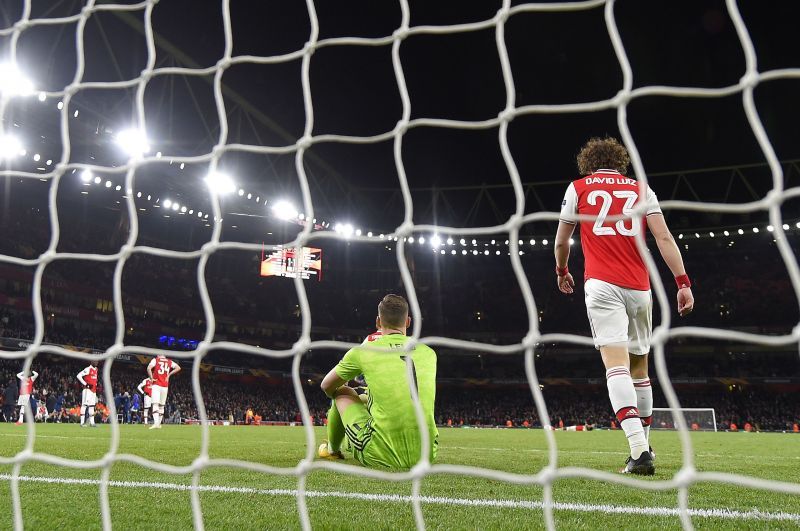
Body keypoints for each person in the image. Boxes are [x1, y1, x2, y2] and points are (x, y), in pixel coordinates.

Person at [554, 137, 694, 475]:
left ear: (587, 162)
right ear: (621, 162)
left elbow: (562, 240)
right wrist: (683, 282)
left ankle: (638, 452)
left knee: (614, 367)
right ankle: (644, 445)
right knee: (640, 370)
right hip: (639, 288)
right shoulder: (641, 189)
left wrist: (562, 271)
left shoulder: (579, 188)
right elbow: (663, 238)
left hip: (601, 284)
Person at [318, 294, 438, 469]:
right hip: (427, 455)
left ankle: (332, 450)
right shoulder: (428, 352)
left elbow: (326, 385)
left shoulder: (364, 351)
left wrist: (336, 396)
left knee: (342, 391)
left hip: (380, 453)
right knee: (368, 399)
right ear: (408, 322)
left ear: (378, 322)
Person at [147, 354, 181, 429]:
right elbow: (178, 368)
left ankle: (156, 423)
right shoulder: (169, 361)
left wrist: (151, 378)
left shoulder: (155, 360)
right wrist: (169, 375)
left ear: (158, 355)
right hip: (165, 386)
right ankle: (158, 424)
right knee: (161, 406)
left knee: (155, 404)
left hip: (156, 384)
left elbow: (148, 368)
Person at [77, 361, 99, 427]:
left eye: (97, 361)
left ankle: (92, 423)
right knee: (84, 405)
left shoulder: (96, 369)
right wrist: (86, 384)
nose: (96, 363)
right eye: (95, 361)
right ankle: (82, 423)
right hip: (87, 390)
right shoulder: (88, 369)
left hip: (93, 391)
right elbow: (78, 376)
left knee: (92, 406)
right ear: (92, 362)